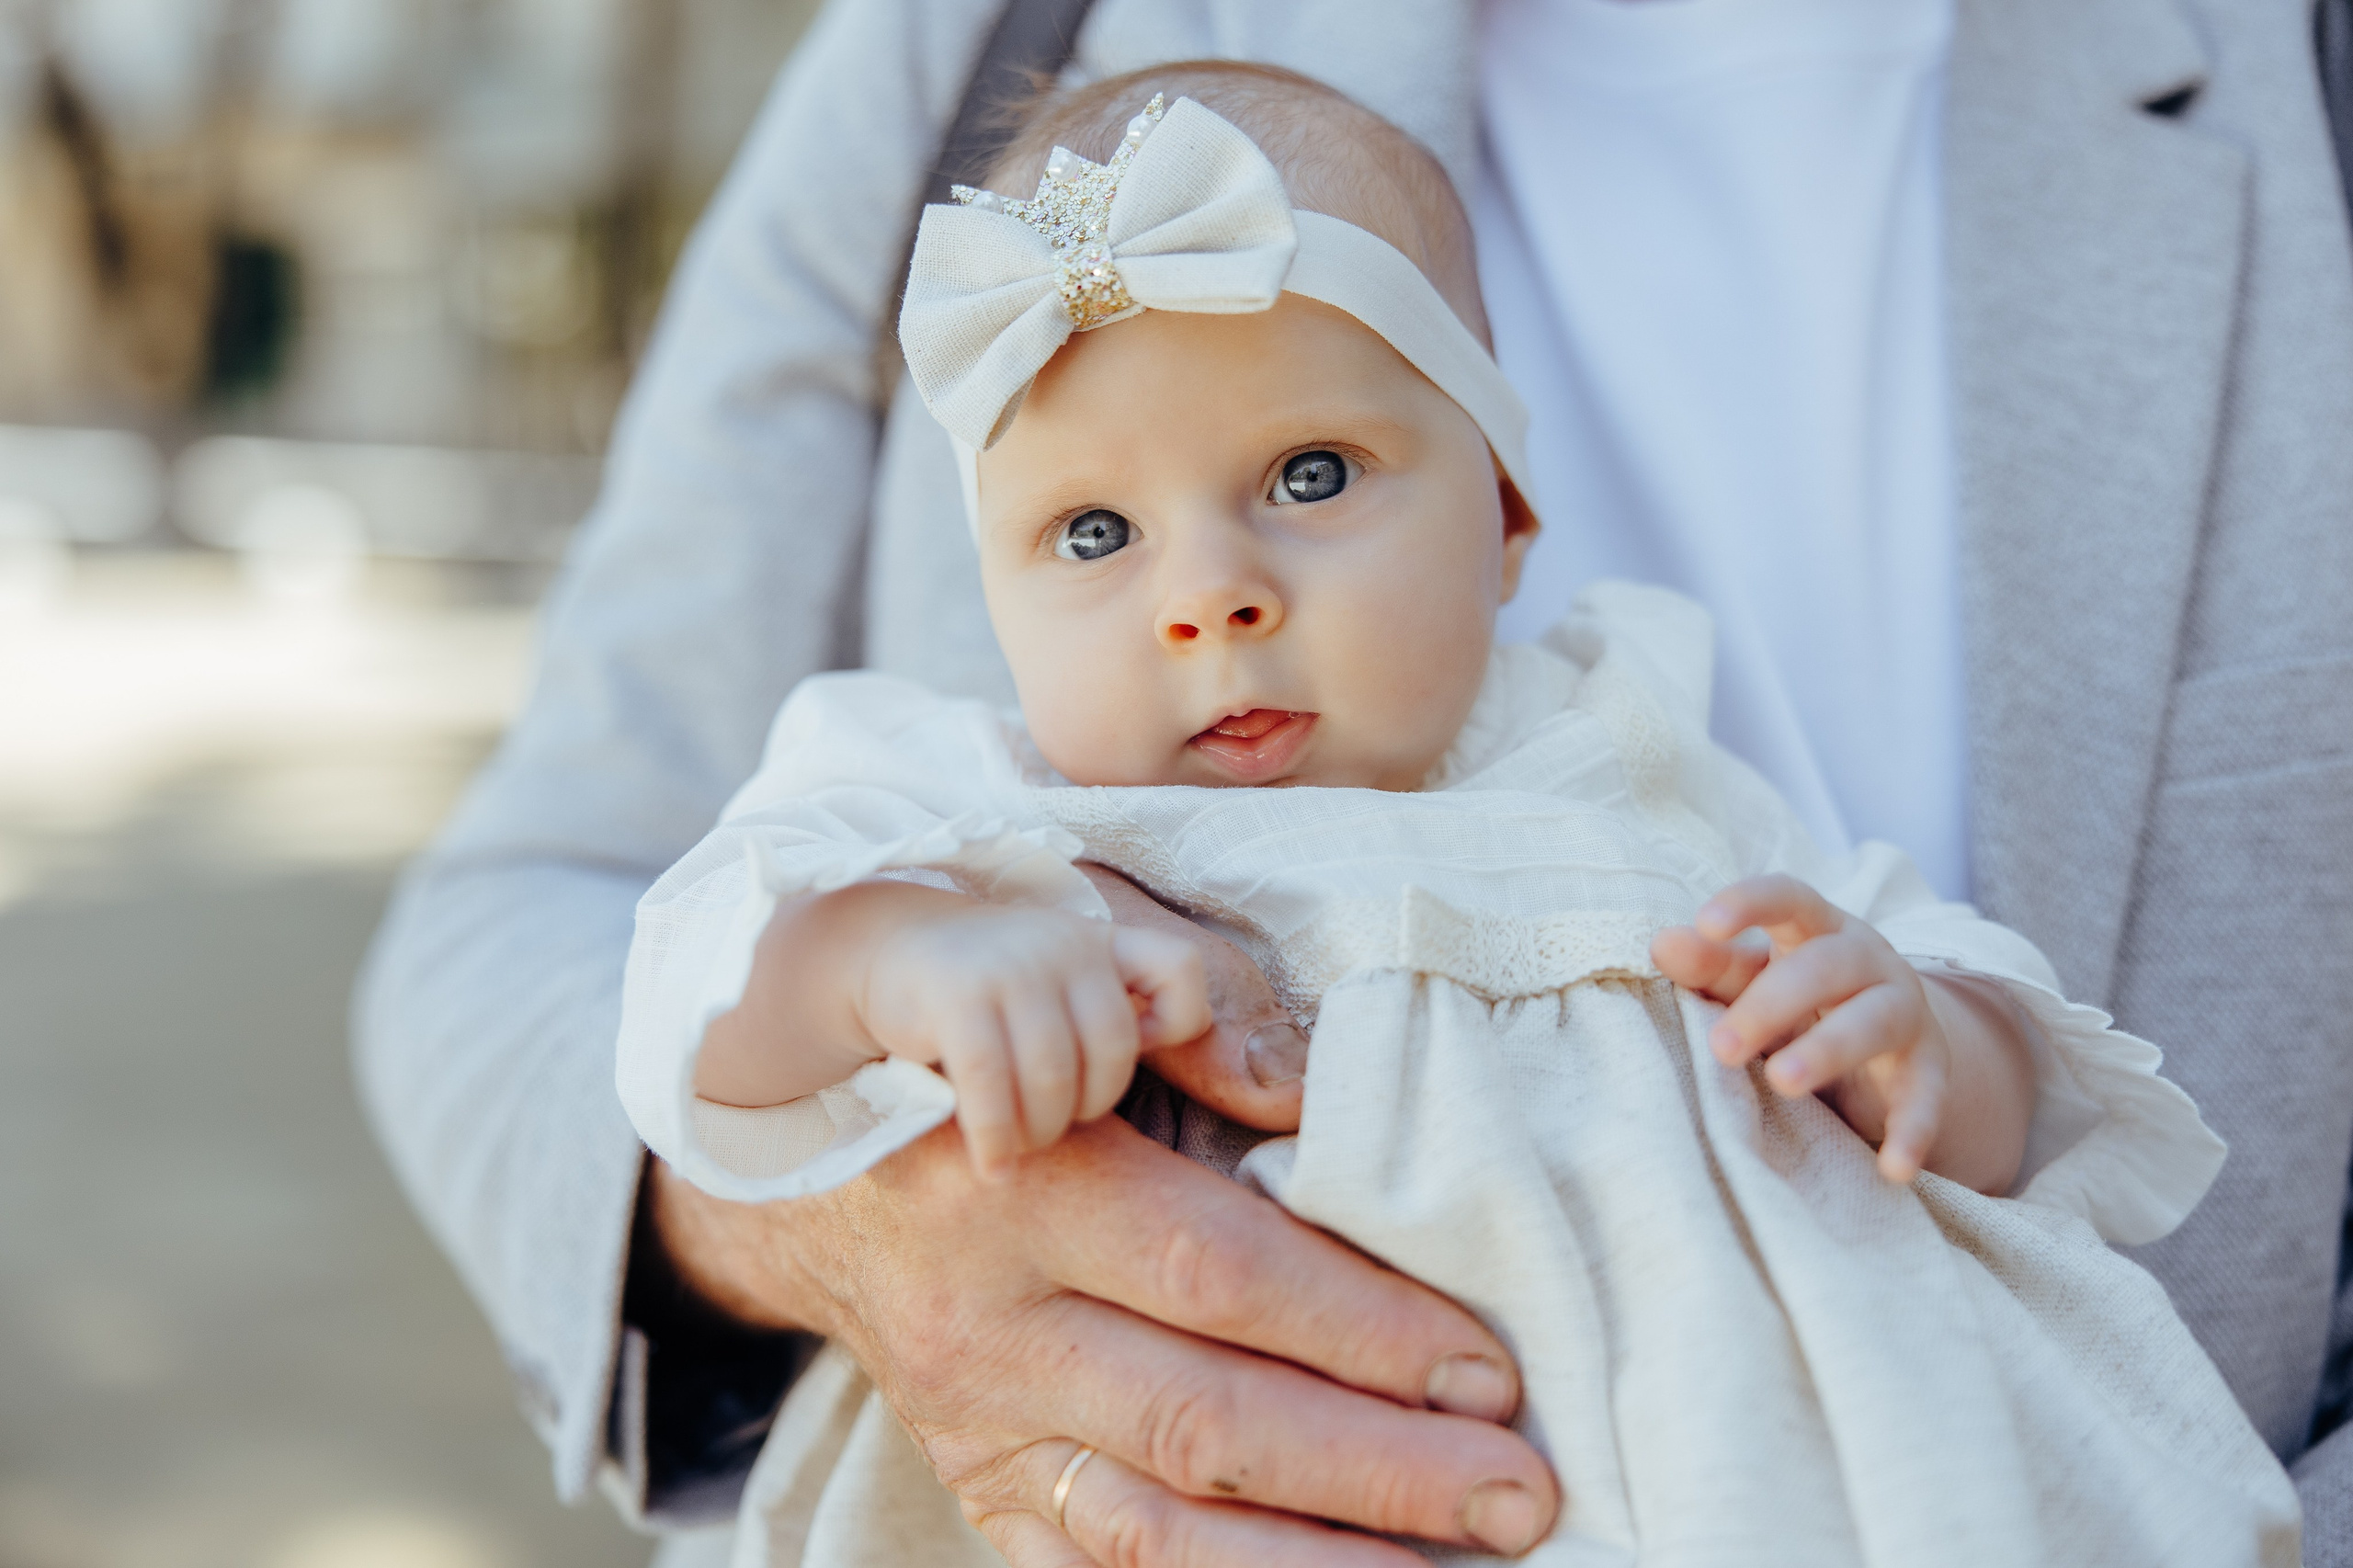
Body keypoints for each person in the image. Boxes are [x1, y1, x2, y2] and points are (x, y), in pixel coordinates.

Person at [354, 2, 2353, 1563]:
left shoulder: (1619, 742)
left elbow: (1964, 1004)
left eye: (1308, 480)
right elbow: (635, 934)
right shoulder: (945, 798)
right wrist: (864, 1003)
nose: (1209, 597)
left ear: (1506, 519)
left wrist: (1931, 1038)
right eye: (1086, 538)